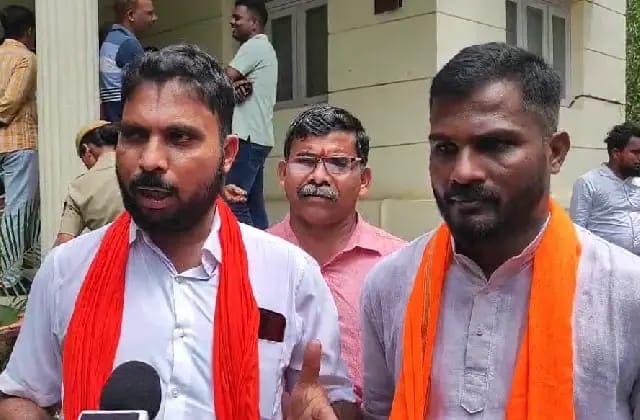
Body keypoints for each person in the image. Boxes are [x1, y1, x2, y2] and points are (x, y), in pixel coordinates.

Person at [0, 44, 358, 420]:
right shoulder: (65, 271)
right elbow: (22, 395)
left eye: (179, 138)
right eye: (134, 135)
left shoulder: (289, 274)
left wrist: (323, 410)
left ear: (228, 154)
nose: (150, 160)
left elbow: (332, 398)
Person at [360, 42, 640, 419]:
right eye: (445, 148)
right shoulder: (390, 283)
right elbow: (380, 411)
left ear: (555, 152)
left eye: (494, 145)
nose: (463, 173)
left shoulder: (626, 292)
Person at [268, 105, 405, 397]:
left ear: (364, 180)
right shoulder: (252, 261)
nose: (319, 177)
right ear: (282, 173)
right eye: (305, 161)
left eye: (338, 163)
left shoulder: (400, 267)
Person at [224, 0, 277, 229]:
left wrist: (228, 85)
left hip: (246, 139)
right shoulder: (264, 49)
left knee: (233, 201)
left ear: (254, 23)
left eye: (238, 18)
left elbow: (222, 79)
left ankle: (248, 248)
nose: (232, 22)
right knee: (253, 205)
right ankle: (264, 247)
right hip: (258, 138)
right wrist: (232, 89)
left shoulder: (254, 46)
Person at [0, 5, 39, 286]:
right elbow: (11, 101)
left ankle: (19, 268)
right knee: (18, 210)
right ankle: (9, 277)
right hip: (19, 142)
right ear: (29, 31)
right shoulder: (26, 58)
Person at [570, 122, 640, 255]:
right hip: (602, 263)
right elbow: (577, 230)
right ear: (616, 153)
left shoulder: (637, 182)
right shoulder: (589, 182)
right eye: (635, 152)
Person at [54, 121, 124, 246]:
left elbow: (64, 242)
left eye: (83, 160)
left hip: (111, 254)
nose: (86, 165)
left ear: (86, 150)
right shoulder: (139, 171)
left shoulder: (78, 188)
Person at [100, 0, 157, 122]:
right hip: (123, 121)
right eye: (149, 13)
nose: (154, 18)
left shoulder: (110, 38)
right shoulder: (129, 44)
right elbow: (144, 92)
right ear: (131, 15)